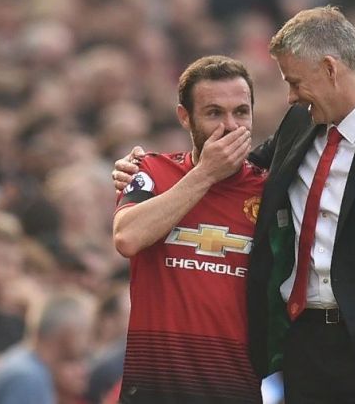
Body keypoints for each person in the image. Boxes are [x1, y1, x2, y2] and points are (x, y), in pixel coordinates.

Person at [113, 6, 355, 402]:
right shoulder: (300, 124)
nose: (290, 96)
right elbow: (234, 171)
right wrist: (146, 172)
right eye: (214, 112)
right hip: (304, 348)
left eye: (294, 81)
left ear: (329, 69)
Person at [112, 55, 264, 403]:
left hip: (233, 388)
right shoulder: (150, 170)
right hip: (153, 390)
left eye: (241, 112)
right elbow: (127, 237)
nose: (230, 126)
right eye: (214, 113)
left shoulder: (271, 191)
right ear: (185, 117)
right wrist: (206, 174)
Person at [0, 293, 93, 404]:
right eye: (84, 331)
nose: (88, 342)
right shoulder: (28, 376)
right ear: (67, 332)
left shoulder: (32, 368)